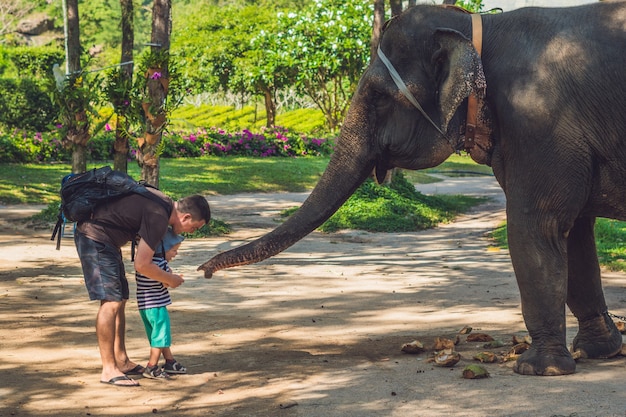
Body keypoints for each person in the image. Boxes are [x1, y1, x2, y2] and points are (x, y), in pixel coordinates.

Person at [74, 191, 210, 387]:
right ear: (186, 217)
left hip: (106, 241)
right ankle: (108, 369)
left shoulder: (162, 205)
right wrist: (169, 279)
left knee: (119, 299)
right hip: (94, 237)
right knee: (111, 301)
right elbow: (142, 265)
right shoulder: (159, 217)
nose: (192, 231)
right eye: (194, 227)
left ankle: (121, 361)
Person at [136, 228, 187, 379]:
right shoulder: (161, 265)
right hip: (157, 305)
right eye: (173, 250)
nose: (175, 254)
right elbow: (167, 283)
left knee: (156, 335)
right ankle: (152, 367)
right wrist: (175, 278)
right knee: (160, 335)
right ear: (163, 249)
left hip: (144, 306)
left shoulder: (145, 263)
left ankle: (170, 361)